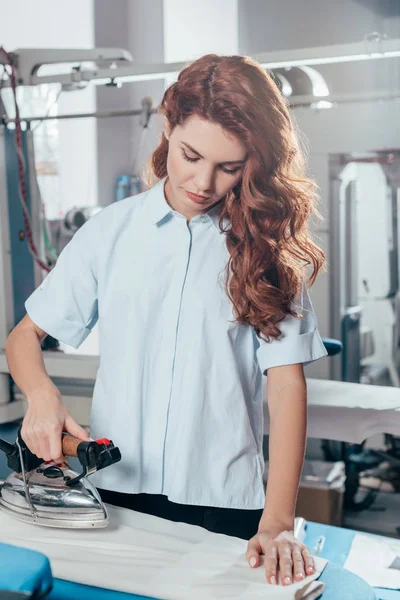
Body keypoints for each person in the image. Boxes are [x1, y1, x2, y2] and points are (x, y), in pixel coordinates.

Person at [6, 54, 327, 586]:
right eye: (191, 155)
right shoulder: (111, 233)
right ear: (168, 125)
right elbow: (24, 336)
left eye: (229, 167)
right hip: (114, 496)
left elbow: (287, 386)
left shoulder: (266, 252)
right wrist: (42, 395)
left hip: (225, 504)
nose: (203, 182)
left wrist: (277, 522)